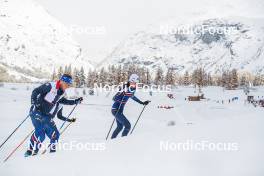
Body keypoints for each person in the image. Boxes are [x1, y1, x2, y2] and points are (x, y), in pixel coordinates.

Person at [24, 74, 83, 157]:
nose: (68, 86)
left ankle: (50, 156)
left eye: (69, 85)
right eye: (67, 84)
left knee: (53, 135)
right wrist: (33, 103)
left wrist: (75, 101)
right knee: (43, 133)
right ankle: (32, 151)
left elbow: (63, 101)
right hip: (36, 111)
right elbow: (36, 91)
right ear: (62, 81)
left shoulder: (61, 92)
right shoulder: (51, 86)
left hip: (46, 115)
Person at [111, 74, 150, 139]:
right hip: (115, 109)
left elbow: (132, 97)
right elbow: (114, 98)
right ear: (130, 81)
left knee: (119, 127)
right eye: (134, 82)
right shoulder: (124, 87)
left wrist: (142, 102)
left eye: (136, 83)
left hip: (120, 110)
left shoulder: (133, 89)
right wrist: (120, 98)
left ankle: (112, 141)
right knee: (127, 125)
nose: (135, 84)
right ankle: (124, 142)